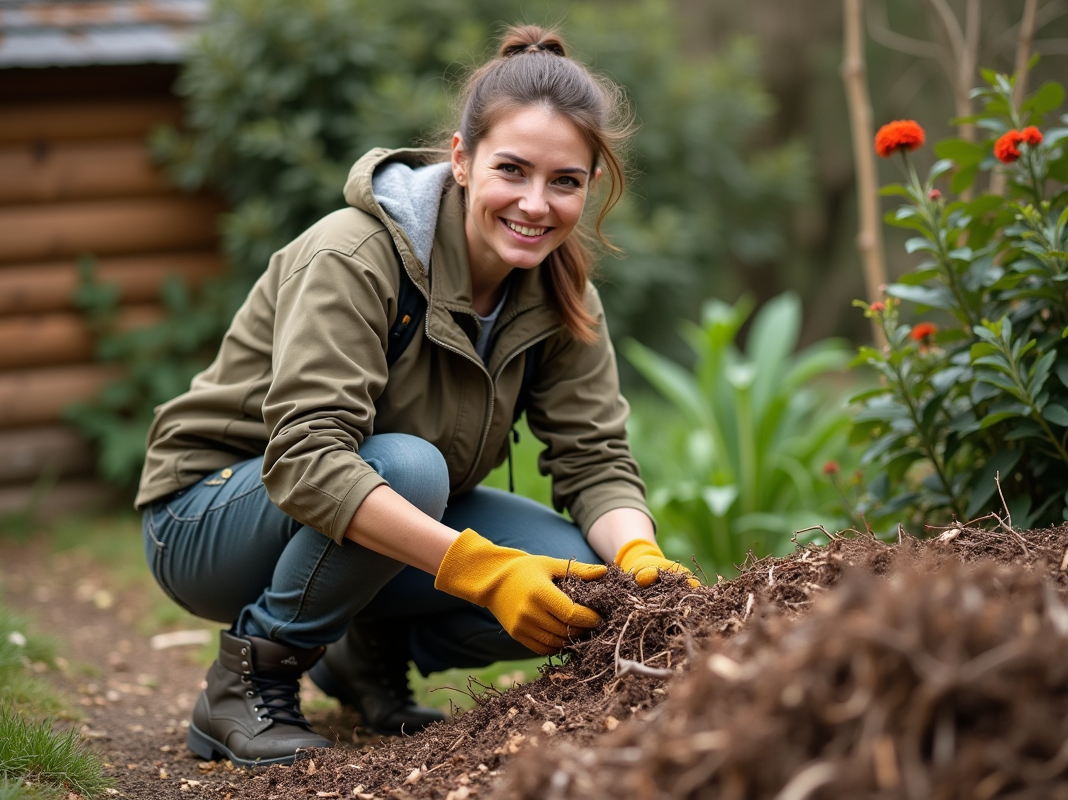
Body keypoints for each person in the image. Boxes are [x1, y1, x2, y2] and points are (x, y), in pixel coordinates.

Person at [134, 23, 696, 769]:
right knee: (410, 468)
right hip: (207, 520)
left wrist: (640, 557)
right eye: (512, 170)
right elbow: (306, 460)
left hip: (366, 521)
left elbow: (595, 461)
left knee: (582, 576)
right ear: (461, 160)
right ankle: (247, 682)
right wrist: (485, 571)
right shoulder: (354, 254)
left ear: (590, 185)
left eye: (565, 181)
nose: (536, 204)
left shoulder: (562, 297)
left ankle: (366, 655)